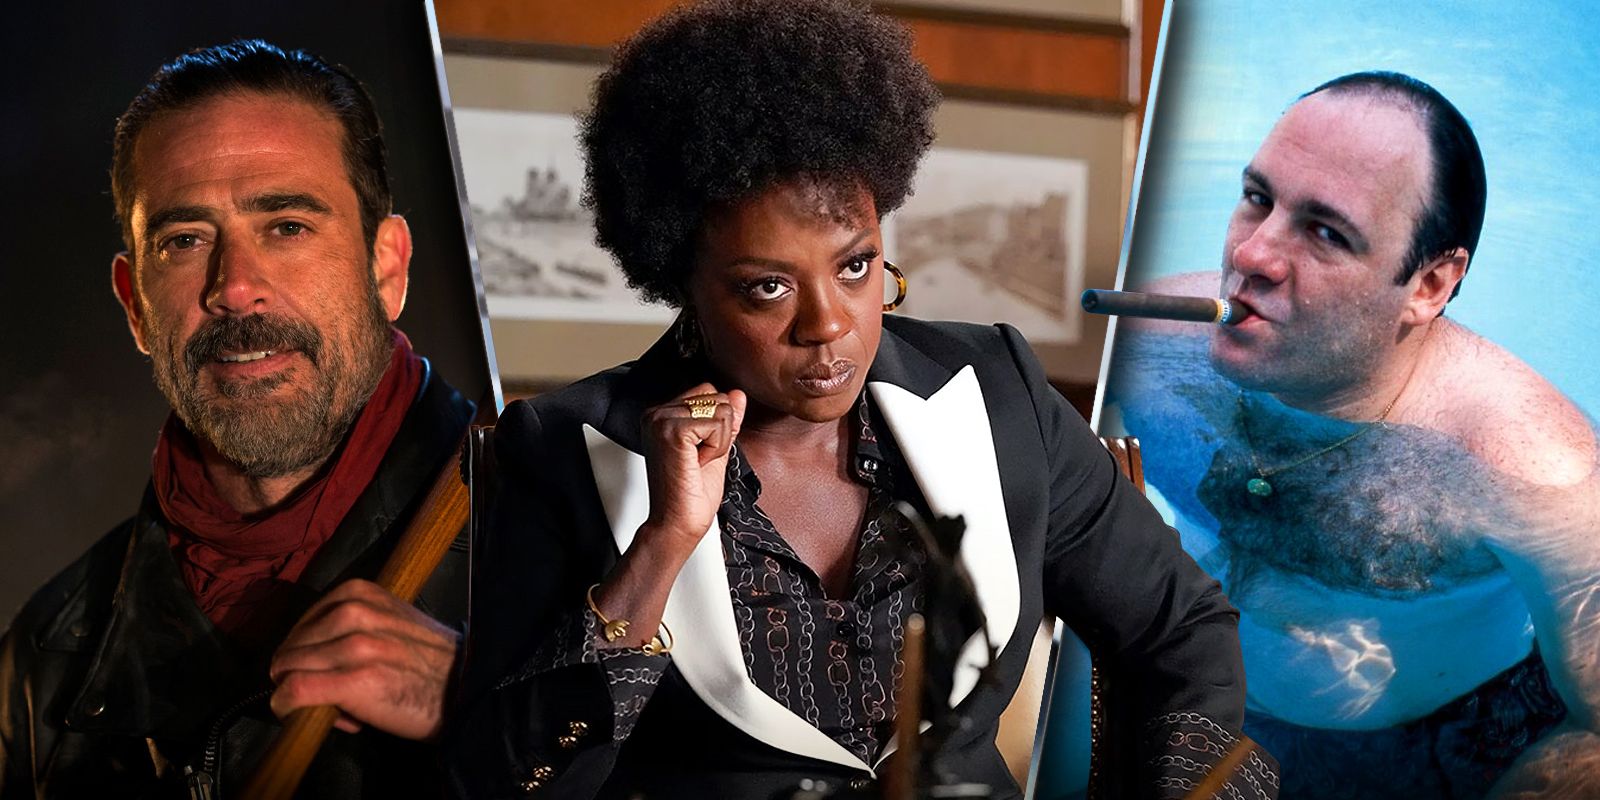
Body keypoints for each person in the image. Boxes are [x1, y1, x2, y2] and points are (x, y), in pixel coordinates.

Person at [447, 3, 1276, 798]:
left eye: (854, 266)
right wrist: (662, 547)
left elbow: (1181, 631)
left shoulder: (997, 392)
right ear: (683, 282)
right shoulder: (565, 449)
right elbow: (502, 782)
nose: (829, 325)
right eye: (767, 286)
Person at [1104, 72, 1600, 798]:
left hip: (1448, 742)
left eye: (1326, 233)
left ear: (1429, 286)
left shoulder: (1528, 468)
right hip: (1196, 706)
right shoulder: (1145, 348)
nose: (1252, 256)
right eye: (1257, 198)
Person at [0, 41, 472, 798]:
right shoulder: (46, 658)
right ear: (135, 305)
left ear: (386, 268)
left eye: (287, 225)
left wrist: (491, 715)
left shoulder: (577, 527)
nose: (235, 287)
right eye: (185, 241)